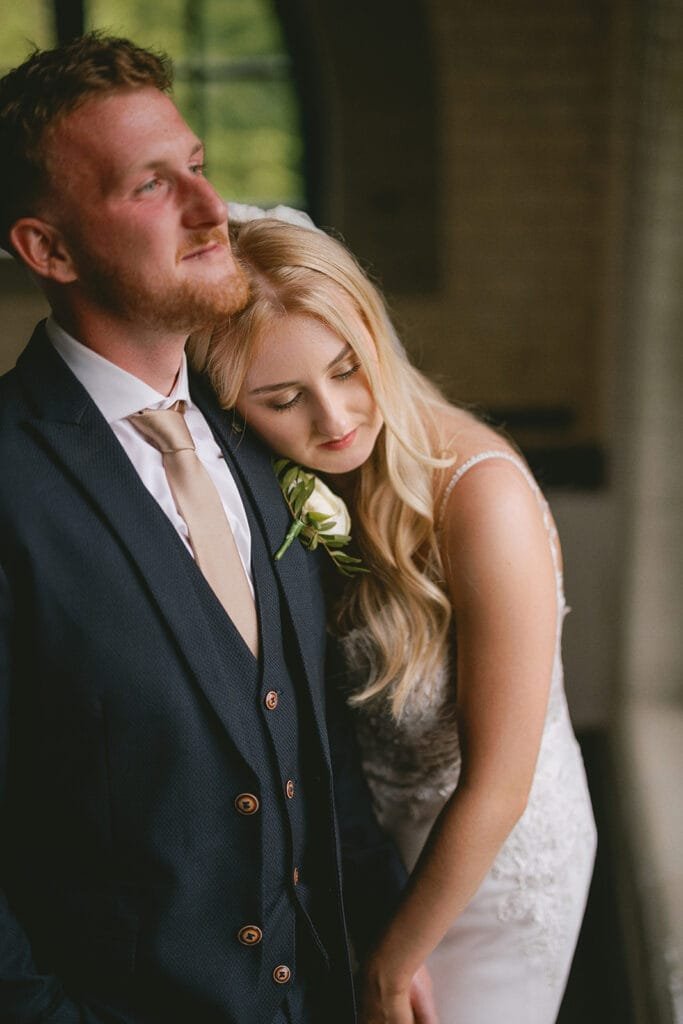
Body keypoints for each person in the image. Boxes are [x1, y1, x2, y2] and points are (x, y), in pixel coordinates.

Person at [0, 33, 416, 1024]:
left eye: (196, 167)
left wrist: (381, 949)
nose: (209, 207)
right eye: (151, 186)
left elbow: (319, 757)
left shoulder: (259, 430)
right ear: (46, 248)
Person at [191, 216, 599, 1024]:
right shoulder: (286, 485)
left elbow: (499, 784)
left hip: (494, 868)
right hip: (374, 862)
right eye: (282, 399)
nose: (335, 418)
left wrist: (389, 964)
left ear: (375, 333)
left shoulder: (482, 498)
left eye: (347, 368)